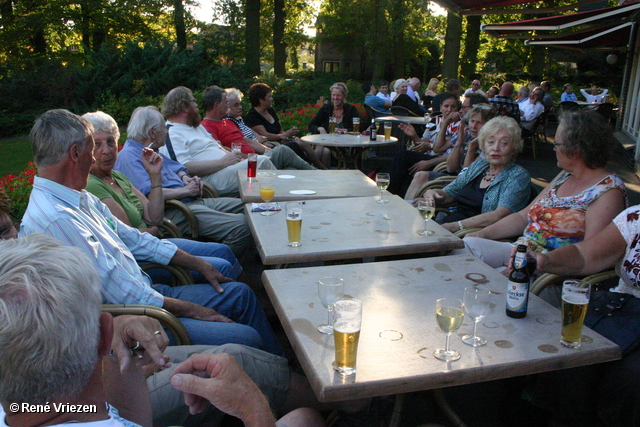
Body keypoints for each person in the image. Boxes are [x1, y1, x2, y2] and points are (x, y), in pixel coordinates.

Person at [20, 109, 283, 355]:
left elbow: (133, 238)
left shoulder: (77, 197)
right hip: (133, 322)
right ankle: (281, 382)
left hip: (147, 295)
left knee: (240, 294)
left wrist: (197, 264)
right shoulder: (56, 219)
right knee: (245, 337)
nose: (95, 157)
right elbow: (119, 292)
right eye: (92, 147)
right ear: (76, 153)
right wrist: (192, 309)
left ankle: (279, 365)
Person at [0, 234, 325, 427]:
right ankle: (349, 403)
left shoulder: (26, 408)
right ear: (103, 332)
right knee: (305, 419)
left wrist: (118, 349)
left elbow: (115, 416)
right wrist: (254, 410)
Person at [82, 110, 243, 282]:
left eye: (110, 142)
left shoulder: (117, 176)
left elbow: (154, 217)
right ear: (87, 149)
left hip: (156, 239)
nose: (106, 151)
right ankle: (234, 293)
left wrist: (155, 176)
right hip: (140, 260)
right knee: (223, 264)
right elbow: (131, 238)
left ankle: (235, 290)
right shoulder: (93, 184)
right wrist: (150, 231)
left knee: (223, 252)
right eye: (97, 145)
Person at [458, 109, 628, 269]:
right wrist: (483, 235)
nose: (553, 148)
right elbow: (523, 216)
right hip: (520, 252)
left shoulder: (607, 193)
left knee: (475, 277)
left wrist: (534, 266)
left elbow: (590, 256)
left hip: (550, 269)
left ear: (576, 150)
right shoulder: (565, 175)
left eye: (558, 143)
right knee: (464, 247)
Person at [524, 205, 640, 426]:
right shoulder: (636, 217)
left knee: (630, 378)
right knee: (571, 348)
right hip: (621, 307)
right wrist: (545, 260)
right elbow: (585, 255)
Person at [111, 107, 252, 258]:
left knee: (251, 208)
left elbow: (176, 166)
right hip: (175, 210)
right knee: (241, 225)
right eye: (163, 129)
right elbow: (149, 194)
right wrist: (185, 191)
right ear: (152, 132)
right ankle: (219, 267)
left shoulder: (150, 150)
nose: (166, 133)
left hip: (191, 200)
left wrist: (185, 178)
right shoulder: (130, 157)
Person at [417, 116, 530, 233]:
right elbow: (449, 192)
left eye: (504, 143)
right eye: (491, 142)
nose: (495, 148)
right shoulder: (479, 166)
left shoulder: (518, 176)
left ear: (514, 148)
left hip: (474, 235)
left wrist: (456, 226)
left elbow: (499, 215)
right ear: (483, 145)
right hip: (450, 226)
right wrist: (432, 193)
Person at [160, 86, 276, 198]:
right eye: (193, 101)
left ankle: (275, 201)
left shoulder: (196, 127)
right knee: (261, 162)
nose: (197, 105)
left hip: (226, 170)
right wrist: (222, 162)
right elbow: (183, 167)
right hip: (210, 180)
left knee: (259, 162)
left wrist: (238, 159)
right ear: (184, 106)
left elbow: (217, 147)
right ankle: (287, 199)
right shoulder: (172, 132)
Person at [200, 86, 315, 170]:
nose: (228, 106)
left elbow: (249, 141)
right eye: (226, 103)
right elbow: (220, 150)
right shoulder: (206, 126)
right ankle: (317, 174)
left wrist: (269, 152)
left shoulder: (227, 122)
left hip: (255, 158)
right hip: (244, 163)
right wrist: (248, 158)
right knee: (283, 150)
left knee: (290, 169)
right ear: (216, 105)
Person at [404, 103, 495, 199]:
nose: (474, 126)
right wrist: (459, 143)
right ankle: (406, 208)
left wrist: (471, 147)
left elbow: (467, 175)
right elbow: (450, 167)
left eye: (479, 123)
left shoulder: (489, 144)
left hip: (470, 184)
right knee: (419, 175)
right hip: (455, 175)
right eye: (472, 121)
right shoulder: (466, 132)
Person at [386, 93, 460, 197]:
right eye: (446, 106)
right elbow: (422, 144)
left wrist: (428, 159)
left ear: (457, 108)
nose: (449, 110)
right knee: (405, 166)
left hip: (440, 161)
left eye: (453, 106)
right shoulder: (434, 120)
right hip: (427, 155)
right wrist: (414, 136)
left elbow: (444, 150)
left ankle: (387, 192)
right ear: (441, 107)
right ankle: (396, 196)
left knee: (403, 156)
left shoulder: (459, 124)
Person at [242, 83, 326, 169]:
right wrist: (284, 135)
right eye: (269, 97)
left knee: (307, 145)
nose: (272, 99)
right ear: (261, 100)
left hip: (281, 142)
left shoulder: (270, 110)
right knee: (302, 144)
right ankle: (320, 168)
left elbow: (280, 130)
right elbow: (266, 135)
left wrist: (287, 135)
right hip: (272, 147)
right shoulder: (252, 116)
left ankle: (314, 167)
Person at [307, 82, 360, 166]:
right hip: (327, 144)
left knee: (325, 151)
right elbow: (311, 125)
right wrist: (320, 129)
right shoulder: (326, 109)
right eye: (333, 95)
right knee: (325, 151)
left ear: (344, 96)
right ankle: (323, 175)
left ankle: (310, 170)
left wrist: (345, 130)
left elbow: (359, 128)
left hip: (344, 146)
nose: (335, 98)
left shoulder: (351, 110)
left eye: (338, 95)